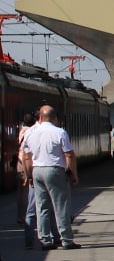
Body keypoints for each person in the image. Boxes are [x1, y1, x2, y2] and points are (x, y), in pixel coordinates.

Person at [22, 104, 80, 250]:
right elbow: (69, 155)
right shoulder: (59, 132)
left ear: (40, 117)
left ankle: (45, 240)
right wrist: (73, 174)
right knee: (60, 206)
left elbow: (27, 158)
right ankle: (66, 239)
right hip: (54, 170)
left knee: (41, 207)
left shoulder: (30, 133)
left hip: (37, 171)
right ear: (54, 118)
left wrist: (29, 176)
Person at [18, 112, 39, 251]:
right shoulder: (32, 132)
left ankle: (29, 239)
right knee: (48, 208)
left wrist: (28, 175)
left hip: (28, 169)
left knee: (29, 207)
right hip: (38, 170)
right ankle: (49, 237)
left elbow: (26, 157)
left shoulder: (24, 132)